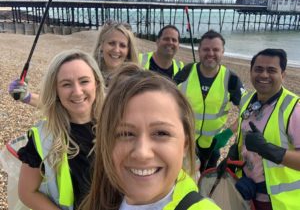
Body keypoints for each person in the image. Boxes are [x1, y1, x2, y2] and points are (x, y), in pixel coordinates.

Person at [79, 63, 221, 210]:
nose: (142, 153)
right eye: (126, 134)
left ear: (185, 144)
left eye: (161, 133)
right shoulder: (103, 200)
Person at [17, 50, 105, 209]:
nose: (77, 92)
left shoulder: (117, 126)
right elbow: (27, 192)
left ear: (97, 84)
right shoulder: (43, 137)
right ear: (55, 90)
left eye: (84, 81)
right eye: (66, 84)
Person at [8, 22, 139, 106]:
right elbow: (59, 103)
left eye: (122, 45)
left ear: (128, 50)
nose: (116, 50)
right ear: (101, 46)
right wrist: (26, 96)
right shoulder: (86, 71)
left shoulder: (135, 80)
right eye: (111, 43)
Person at [234, 48, 300, 210]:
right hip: (248, 191)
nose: (263, 75)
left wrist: (268, 150)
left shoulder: (293, 109)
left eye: (271, 70)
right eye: (258, 69)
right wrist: (233, 154)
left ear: (283, 75)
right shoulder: (247, 99)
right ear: (250, 72)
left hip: (280, 201)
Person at [174, 30, 245, 172]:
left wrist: (228, 134)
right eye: (206, 49)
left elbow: (247, 111)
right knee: (184, 180)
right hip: (185, 142)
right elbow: (165, 100)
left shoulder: (231, 79)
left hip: (213, 144)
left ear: (223, 52)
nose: (210, 53)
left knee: (206, 181)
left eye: (216, 50)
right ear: (199, 51)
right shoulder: (186, 72)